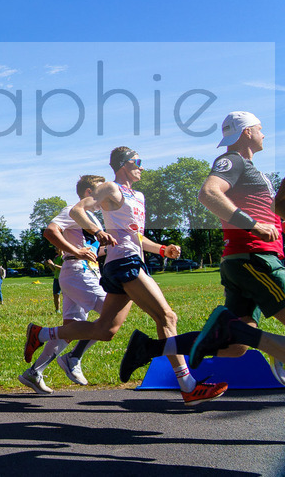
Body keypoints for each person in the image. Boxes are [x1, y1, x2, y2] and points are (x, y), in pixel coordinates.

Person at [24, 147, 227, 405]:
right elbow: (78, 211)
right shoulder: (111, 188)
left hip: (130, 260)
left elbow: (136, 236)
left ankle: (41, 334)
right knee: (166, 316)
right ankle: (188, 385)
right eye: (137, 162)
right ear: (122, 164)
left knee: (105, 330)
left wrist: (162, 249)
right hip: (124, 263)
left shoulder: (138, 196)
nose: (141, 167)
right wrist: (97, 231)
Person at [120, 112, 285, 382]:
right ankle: (238, 330)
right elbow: (208, 193)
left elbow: (271, 217)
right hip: (255, 259)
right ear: (246, 133)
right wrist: (253, 225)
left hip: (244, 261)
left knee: (234, 347)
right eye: (259, 128)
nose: (264, 134)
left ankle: (149, 348)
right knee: (238, 335)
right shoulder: (232, 160)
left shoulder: (251, 169)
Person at [19, 175, 107, 393]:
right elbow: (50, 231)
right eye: (101, 190)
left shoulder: (94, 220)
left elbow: (95, 250)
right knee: (111, 316)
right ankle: (50, 340)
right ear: (89, 192)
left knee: (71, 331)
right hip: (78, 272)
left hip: (85, 273)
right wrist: (76, 251)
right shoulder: (73, 210)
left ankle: (34, 373)